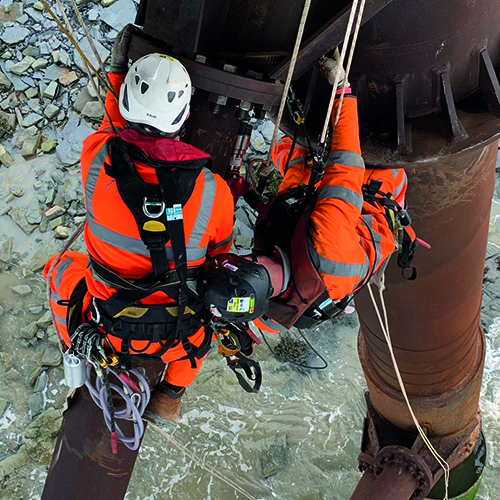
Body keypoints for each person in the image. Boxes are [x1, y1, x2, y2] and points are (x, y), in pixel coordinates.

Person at [44, 25, 235, 422]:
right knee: (203, 322)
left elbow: (110, 129)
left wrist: (117, 68)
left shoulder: (95, 158)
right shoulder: (215, 192)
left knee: (60, 271)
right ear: (183, 117)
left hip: (112, 324)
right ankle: (170, 396)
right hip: (178, 335)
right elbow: (220, 262)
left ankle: (76, 348)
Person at [199, 53, 417, 333]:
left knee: (294, 158)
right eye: (246, 259)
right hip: (369, 202)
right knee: (370, 158)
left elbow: (284, 217)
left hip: (311, 228)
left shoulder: (266, 301)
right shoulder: (327, 247)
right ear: (252, 266)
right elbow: (346, 166)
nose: (246, 254)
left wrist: (244, 193)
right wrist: (342, 93)